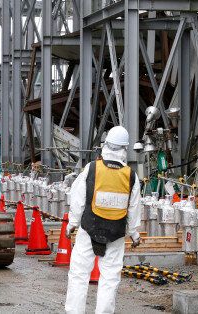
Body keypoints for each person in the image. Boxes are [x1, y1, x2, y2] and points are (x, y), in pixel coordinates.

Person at [64, 126, 142, 314]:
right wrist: (134, 233)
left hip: (88, 229)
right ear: (125, 148)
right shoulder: (131, 176)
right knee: (109, 278)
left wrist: (72, 224)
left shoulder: (91, 168)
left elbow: (78, 199)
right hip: (115, 234)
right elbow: (134, 208)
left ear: (105, 145)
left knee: (79, 275)